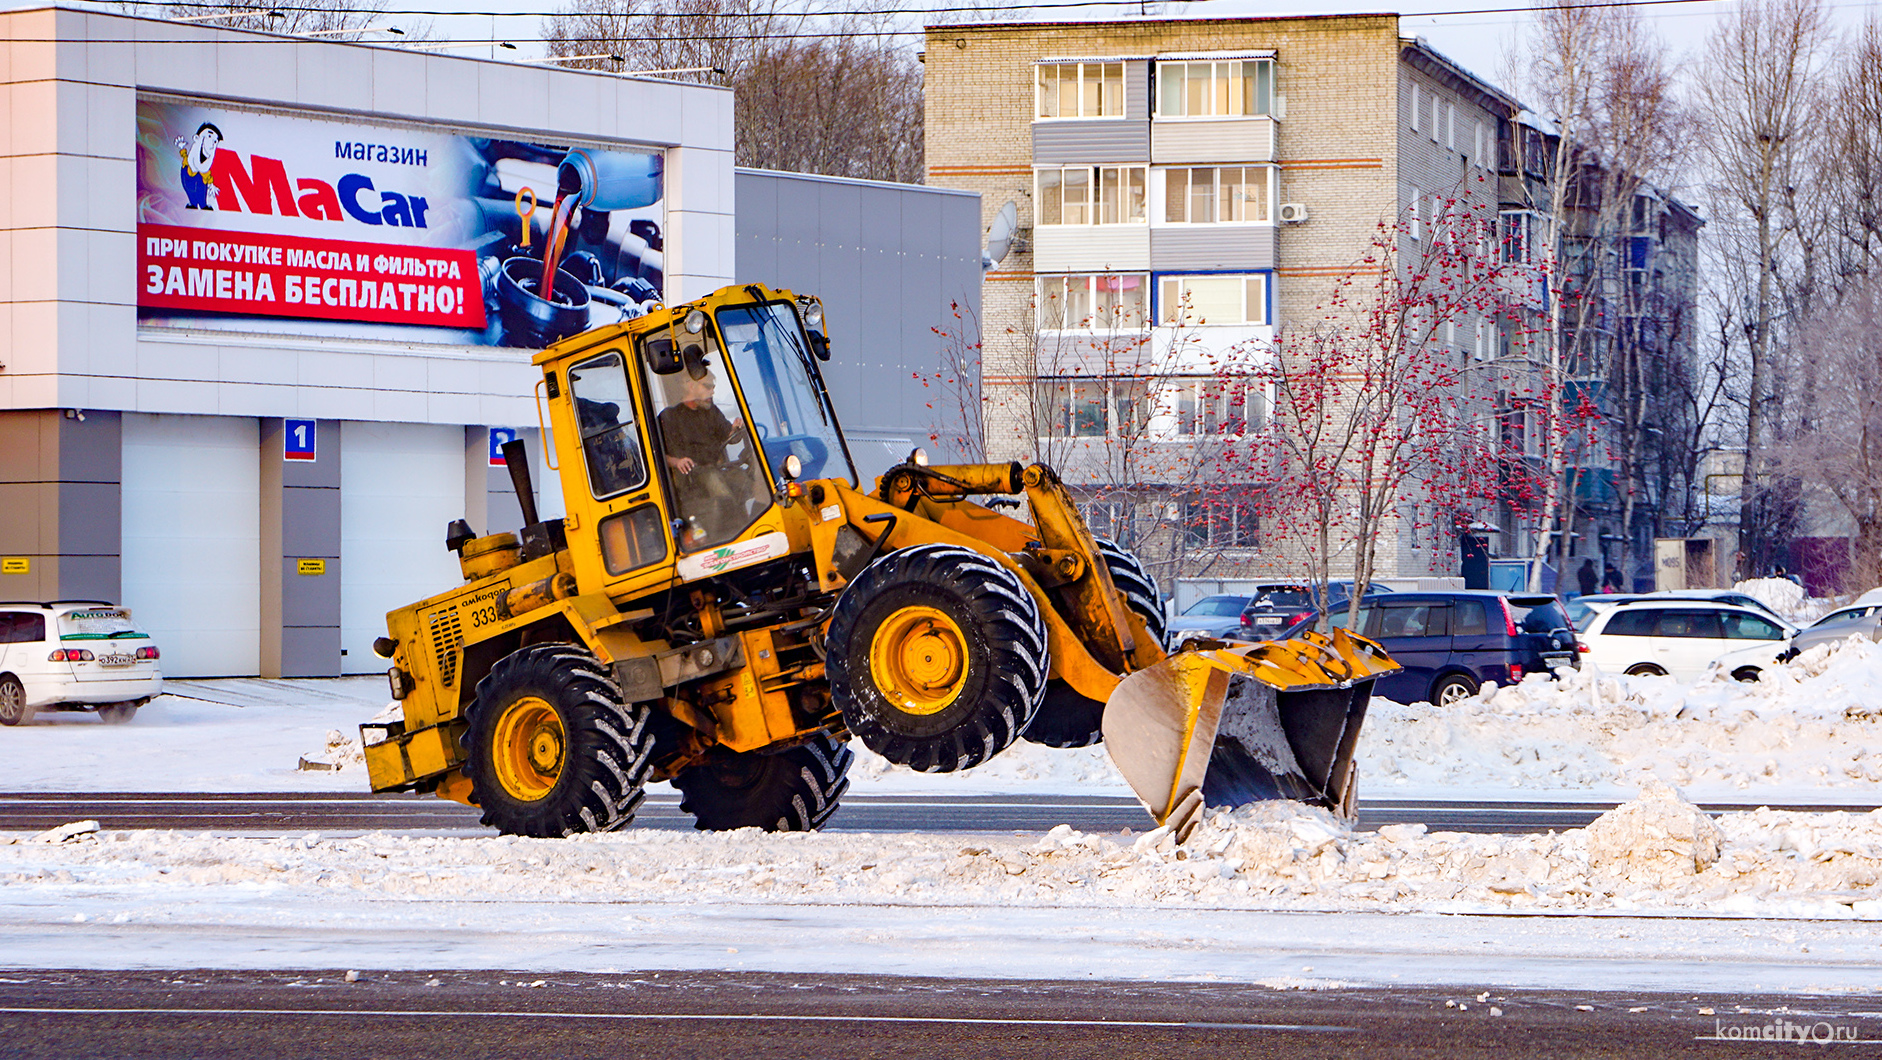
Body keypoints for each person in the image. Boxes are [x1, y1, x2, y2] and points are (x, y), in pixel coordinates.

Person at [657, 370, 749, 544]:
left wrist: (735, 429)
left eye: (713, 386)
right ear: (690, 386)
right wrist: (677, 462)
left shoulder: (711, 411)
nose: (712, 391)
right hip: (689, 476)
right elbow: (657, 454)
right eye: (707, 386)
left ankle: (751, 525)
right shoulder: (669, 417)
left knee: (746, 478)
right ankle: (732, 537)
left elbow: (729, 436)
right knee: (718, 485)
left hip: (717, 468)